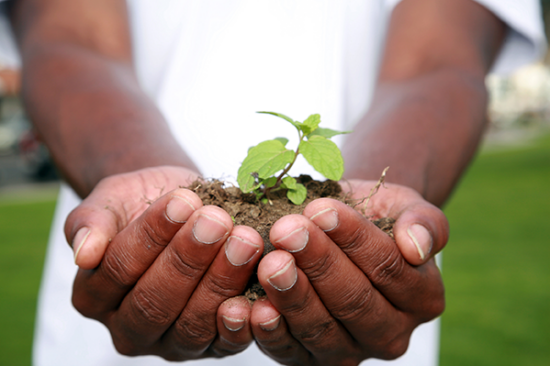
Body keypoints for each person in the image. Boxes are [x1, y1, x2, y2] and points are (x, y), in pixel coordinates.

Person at [1, 0, 546, 365]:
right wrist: (133, 175)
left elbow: (441, 60)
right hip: (106, 318)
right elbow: (68, 36)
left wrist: (376, 211)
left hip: (360, 323)